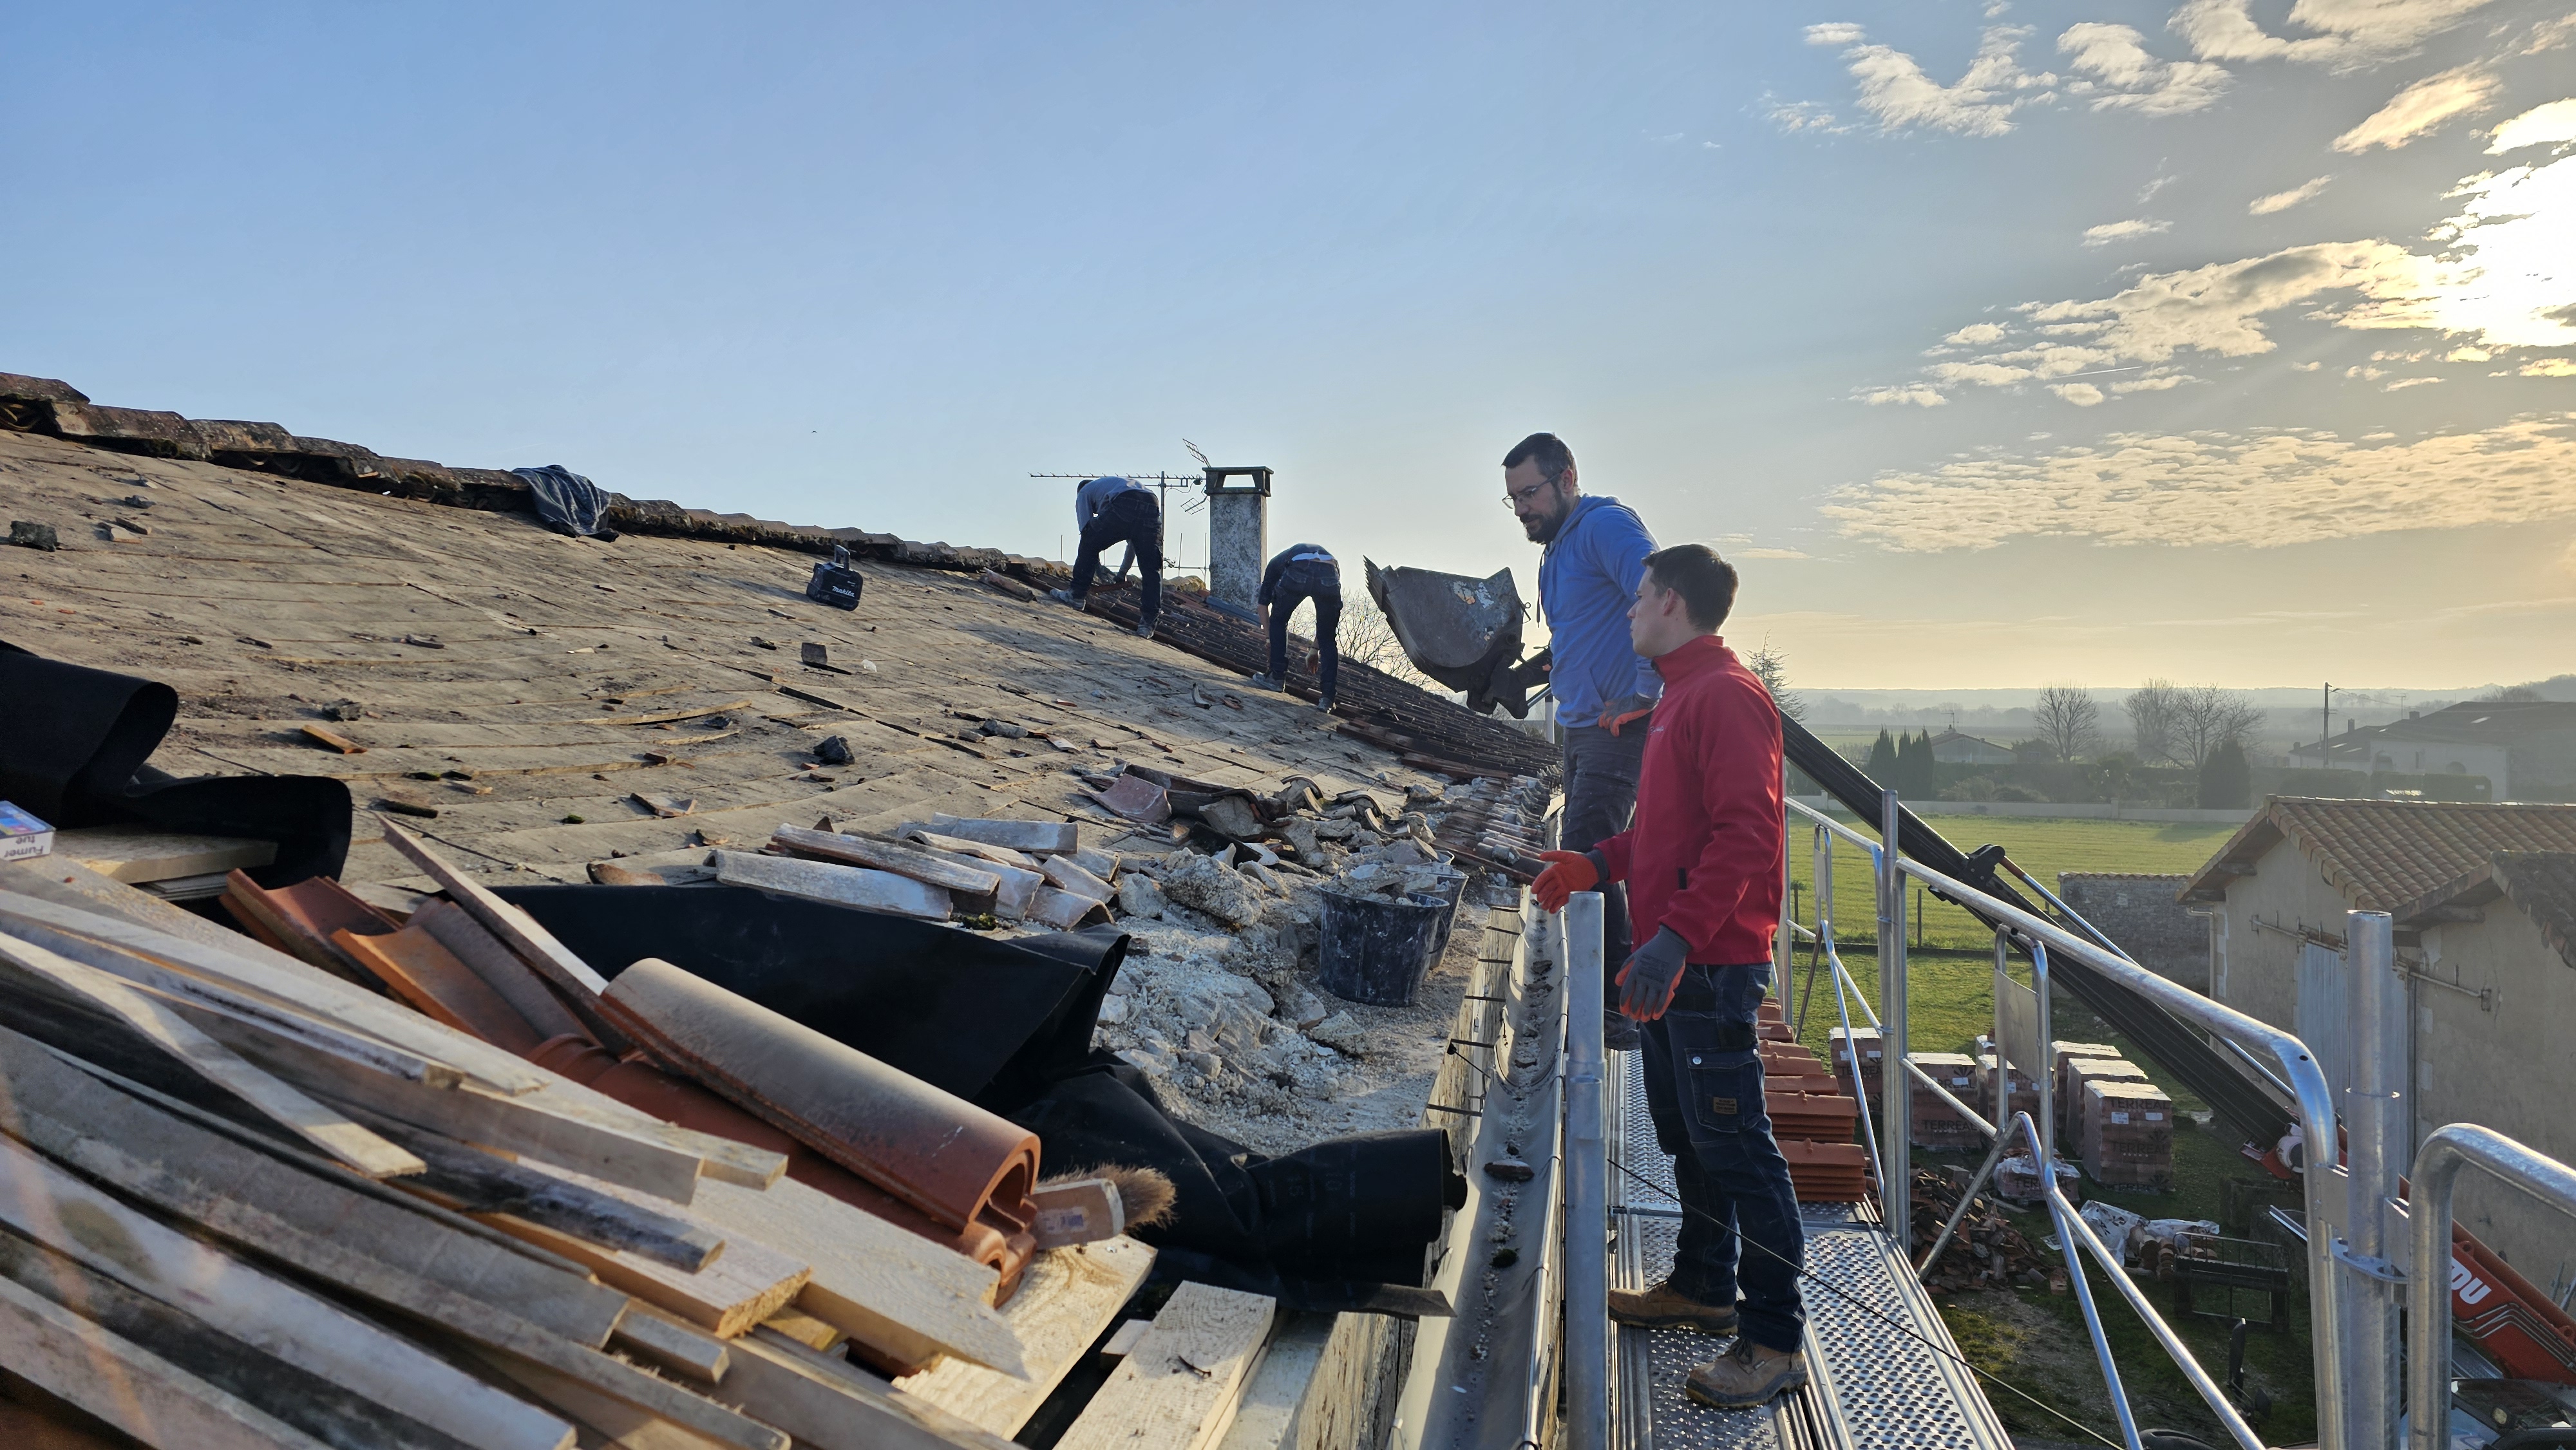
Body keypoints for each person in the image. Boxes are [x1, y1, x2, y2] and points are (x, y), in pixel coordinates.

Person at [1530, 543, 1806, 1410]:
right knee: (1689, 1138)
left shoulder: (1724, 698)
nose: (1629, 610)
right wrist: (1592, 864)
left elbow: (1745, 839)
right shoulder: (1682, 695)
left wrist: (1674, 940)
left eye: (1640, 597)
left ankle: (1772, 1340)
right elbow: (1665, 839)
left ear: (1675, 605)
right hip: (1681, 962)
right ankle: (1702, 1283)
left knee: (1739, 1151)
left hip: (1710, 966)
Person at [1504, 431, 1659, 1042]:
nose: (1522, 508)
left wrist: (1645, 689)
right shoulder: (1560, 548)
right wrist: (1534, 672)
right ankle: (1609, 1000)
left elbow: (1658, 592)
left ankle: (1614, 1013)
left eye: (1531, 492)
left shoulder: (1604, 527)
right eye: (1512, 498)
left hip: (1615, 729)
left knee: (1590, 858)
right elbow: (1585, 633)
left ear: (1567, 476)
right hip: (1582, 725)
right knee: (1591, 856)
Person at [1050, 476, 1162, 637]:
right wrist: (1122, 574)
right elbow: (1133, 542)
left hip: (1125, 501)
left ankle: (1076, 596)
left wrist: (1095, 566)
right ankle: (1148, 625)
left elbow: (1087, 532)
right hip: (1152, 503)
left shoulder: (1084, 492)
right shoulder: (1111, 487)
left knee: (1089, 541)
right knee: (1151, 568)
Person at [1251, 543, 1341, 713]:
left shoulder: (1275, 565)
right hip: (1330, 570)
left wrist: (1270, 639)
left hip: (1299, 566)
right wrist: (1315, 649)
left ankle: (1276, 677)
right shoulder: (1331, 564)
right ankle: (1327, 699)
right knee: (1328, 637)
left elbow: (1263, 605)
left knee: (1278, 619)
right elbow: (1327, 627)